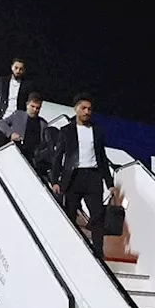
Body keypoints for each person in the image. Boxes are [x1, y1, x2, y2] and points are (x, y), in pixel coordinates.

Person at [49, 94, 114, 257]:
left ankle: (98, 251)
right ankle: (68, 248)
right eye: (83, 108)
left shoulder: (97, 131)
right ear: (76, 109)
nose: (87, 112)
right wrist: (54, 180)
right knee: (70, 213)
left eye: (89, 109)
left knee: (98, 215)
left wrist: (109, 183)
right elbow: (58, 157)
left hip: (93, 176)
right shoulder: (66, 130)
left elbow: (102, 158)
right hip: (73, 177)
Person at [0, 92, 50, 169]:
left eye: (38, 108)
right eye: (32, 106)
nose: (35, 110)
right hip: (15, 153)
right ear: (27, 105)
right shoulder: (18, 115)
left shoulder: (43, 123)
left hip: (31, 158)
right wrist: (11, 134)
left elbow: (45, 142)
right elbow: (0, 123)